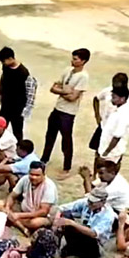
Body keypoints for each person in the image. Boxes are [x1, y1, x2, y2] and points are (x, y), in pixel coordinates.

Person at [42, 48, 90, 179]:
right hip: (58, 108)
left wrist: (62, 91)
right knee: (49, 136)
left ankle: (66, 166)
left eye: (76, 59)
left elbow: (73, 97)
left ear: (83, 61)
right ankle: (44, 160)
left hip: (68, 112)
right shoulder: (67, 70)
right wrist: (65, 91)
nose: (73, 61)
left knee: (66, 140)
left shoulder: (83, 77)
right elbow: (53, 88)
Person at [54, 186, 116, 258]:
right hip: (84, 232)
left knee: (87, 233)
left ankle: (84, 253)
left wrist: (72, 223)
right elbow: (62, 208)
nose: (89, 203)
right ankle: (72, 246)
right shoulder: (86, 202)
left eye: (93, 202)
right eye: (89, 201)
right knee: (66, 214)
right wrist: (57, 220)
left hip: (96, 243)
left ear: (103, 202)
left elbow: (94, 233)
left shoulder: (108, 215)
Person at [0, 161, 56, 234]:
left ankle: (9, 219)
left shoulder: (49, 186)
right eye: (31, 174)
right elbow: (12, 196)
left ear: (43, 175)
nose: (34, 177)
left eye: (37, 175)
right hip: (24, 210)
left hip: (41, 216)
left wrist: (19, 215)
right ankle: (21, 227)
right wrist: (8, 208)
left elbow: (43, 211)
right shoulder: (25, 179)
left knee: (35, 223)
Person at [0, 46, 36, 140]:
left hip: (17, 107)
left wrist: (26, 108)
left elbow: (30, 92)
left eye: (3, 61)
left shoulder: (23, 73)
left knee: (17, 130)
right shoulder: (6, 67)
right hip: (5, 104)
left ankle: (18, 150)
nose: (3, 63)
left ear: (10, 58)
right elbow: (3, 78)